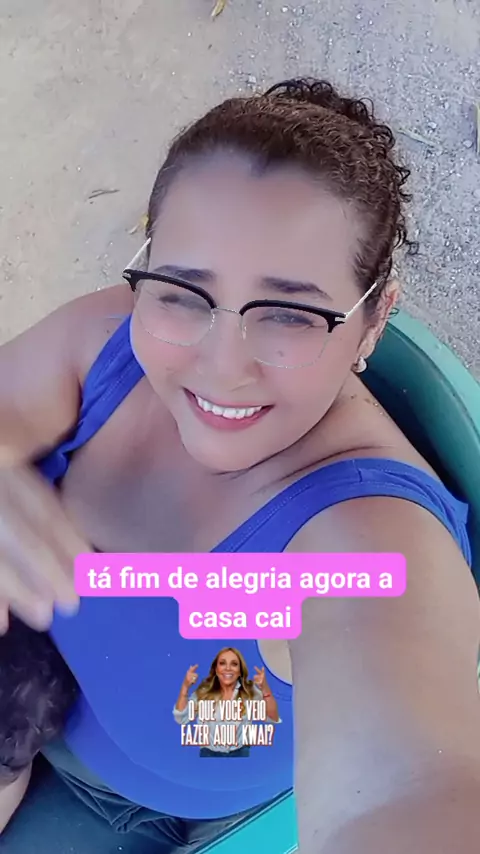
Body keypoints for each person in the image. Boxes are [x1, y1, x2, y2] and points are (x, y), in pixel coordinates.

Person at [0, 76, 479, 853]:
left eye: (289, 313)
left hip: (130, 813)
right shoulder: (105, 345)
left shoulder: (363, 541)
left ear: (374, 319)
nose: (221, 367)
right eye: (184, 292)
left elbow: (404, 785)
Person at [173, 648, 280, 757]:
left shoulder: (249, 690)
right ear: (216, 669)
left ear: (240, 671)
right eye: (222, 663)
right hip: (209, 754)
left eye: (234, 664)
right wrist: (185, 686)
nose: (228, 668)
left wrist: (265, 688)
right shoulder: (204, 691)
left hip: (240, 753)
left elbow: (273, 717)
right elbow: (181, 718)